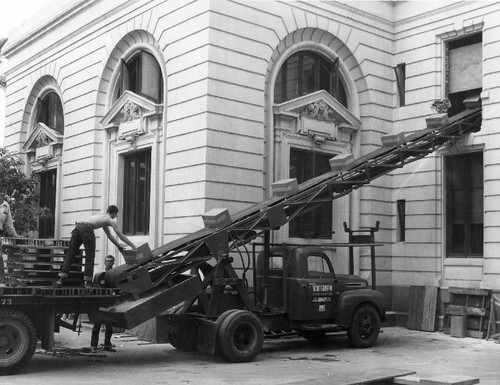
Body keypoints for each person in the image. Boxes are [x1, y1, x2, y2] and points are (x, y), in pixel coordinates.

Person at [56, 205, 137, 287]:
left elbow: (109, 236)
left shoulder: (102, 218)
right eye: (115, 215)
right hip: (87, 230)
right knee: (90, 256)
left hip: (78, 228)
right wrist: (133, 246)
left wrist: (118, 246)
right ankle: (88, 282)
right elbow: (121, 236)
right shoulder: (109, 220)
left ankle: (60, 280)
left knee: (70, 254)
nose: (115, 217)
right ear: (114, 213)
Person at [90, 254, 116, 353]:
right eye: (107, 261)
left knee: (110, 326)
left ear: (113, 263)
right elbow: (93, 287)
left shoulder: (115, 275)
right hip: (100, 303)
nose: (109, 263)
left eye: (111, 261)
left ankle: (107, 345)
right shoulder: (99, 275)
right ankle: (93, 346)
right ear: (105, 262)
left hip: (110, 303)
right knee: (97, 325)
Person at [0, 188, 19, 284]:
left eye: (4, 192)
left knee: (0, 257)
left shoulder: (5, 206)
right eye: (0, 191)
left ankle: (1, 283)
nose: (2, 194)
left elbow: (9, 224)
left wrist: (15, 236)